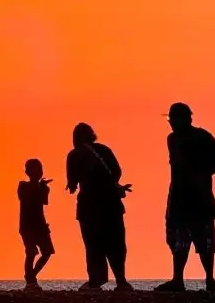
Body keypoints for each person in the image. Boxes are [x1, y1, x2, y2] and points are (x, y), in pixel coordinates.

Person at [156, 102, 215, 292]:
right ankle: (178, 279)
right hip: (179, 197)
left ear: (186, 119)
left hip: (199, 198)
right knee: (178, 241)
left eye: (174, 119)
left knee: (205, 240)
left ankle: (209, 279)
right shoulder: (172, 140)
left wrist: (199, 174)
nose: (171, 123)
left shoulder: (203, 138)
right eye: (170, 119)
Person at [66, 122, 132, 291]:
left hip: (89, 206)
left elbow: (72, 184)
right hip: (111, 203)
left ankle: (96, 280)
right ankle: (121, 280)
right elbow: (117, 172)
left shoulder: (74, 155)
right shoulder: (104, 150)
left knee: (93, 244)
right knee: (116, 242)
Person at [17, 159, 55, 291]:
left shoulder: (44, 188)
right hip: (27, 226)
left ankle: (31, 276)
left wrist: (43, 188)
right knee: (31, 252)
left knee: (47, 252)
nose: (38, 172)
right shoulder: (23, 185)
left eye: (40, 170)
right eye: (34, 170)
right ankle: (31, 281)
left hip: (40, 224)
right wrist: (38, 186)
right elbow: (25, 198)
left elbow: (44, 201)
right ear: (27, 172)